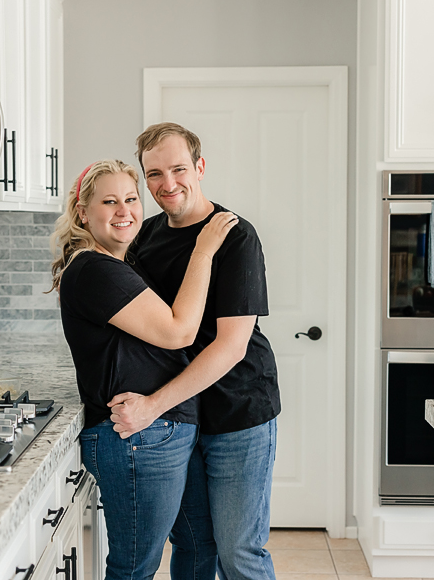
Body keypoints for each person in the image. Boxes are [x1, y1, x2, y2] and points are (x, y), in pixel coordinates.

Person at [49, 159, 238, 580]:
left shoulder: (119, 263)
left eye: (131, 199)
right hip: (138, 439)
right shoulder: (95, 269)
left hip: (160, 432)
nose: (124, 211)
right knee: (134, 568)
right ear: (83, 212)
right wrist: (204, 249)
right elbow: (178, 331)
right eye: (109, 202)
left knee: (198, 543)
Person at [108, 123, 281, 580]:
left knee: (239, 552)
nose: (167, 184)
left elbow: (232, 346)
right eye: (154, 174)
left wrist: (152, 406)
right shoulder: (144, 236)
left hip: (237, 411)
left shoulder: (235, 236)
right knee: (192, 543)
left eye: (179, 169)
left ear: (200, 167)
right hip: (179, 421)